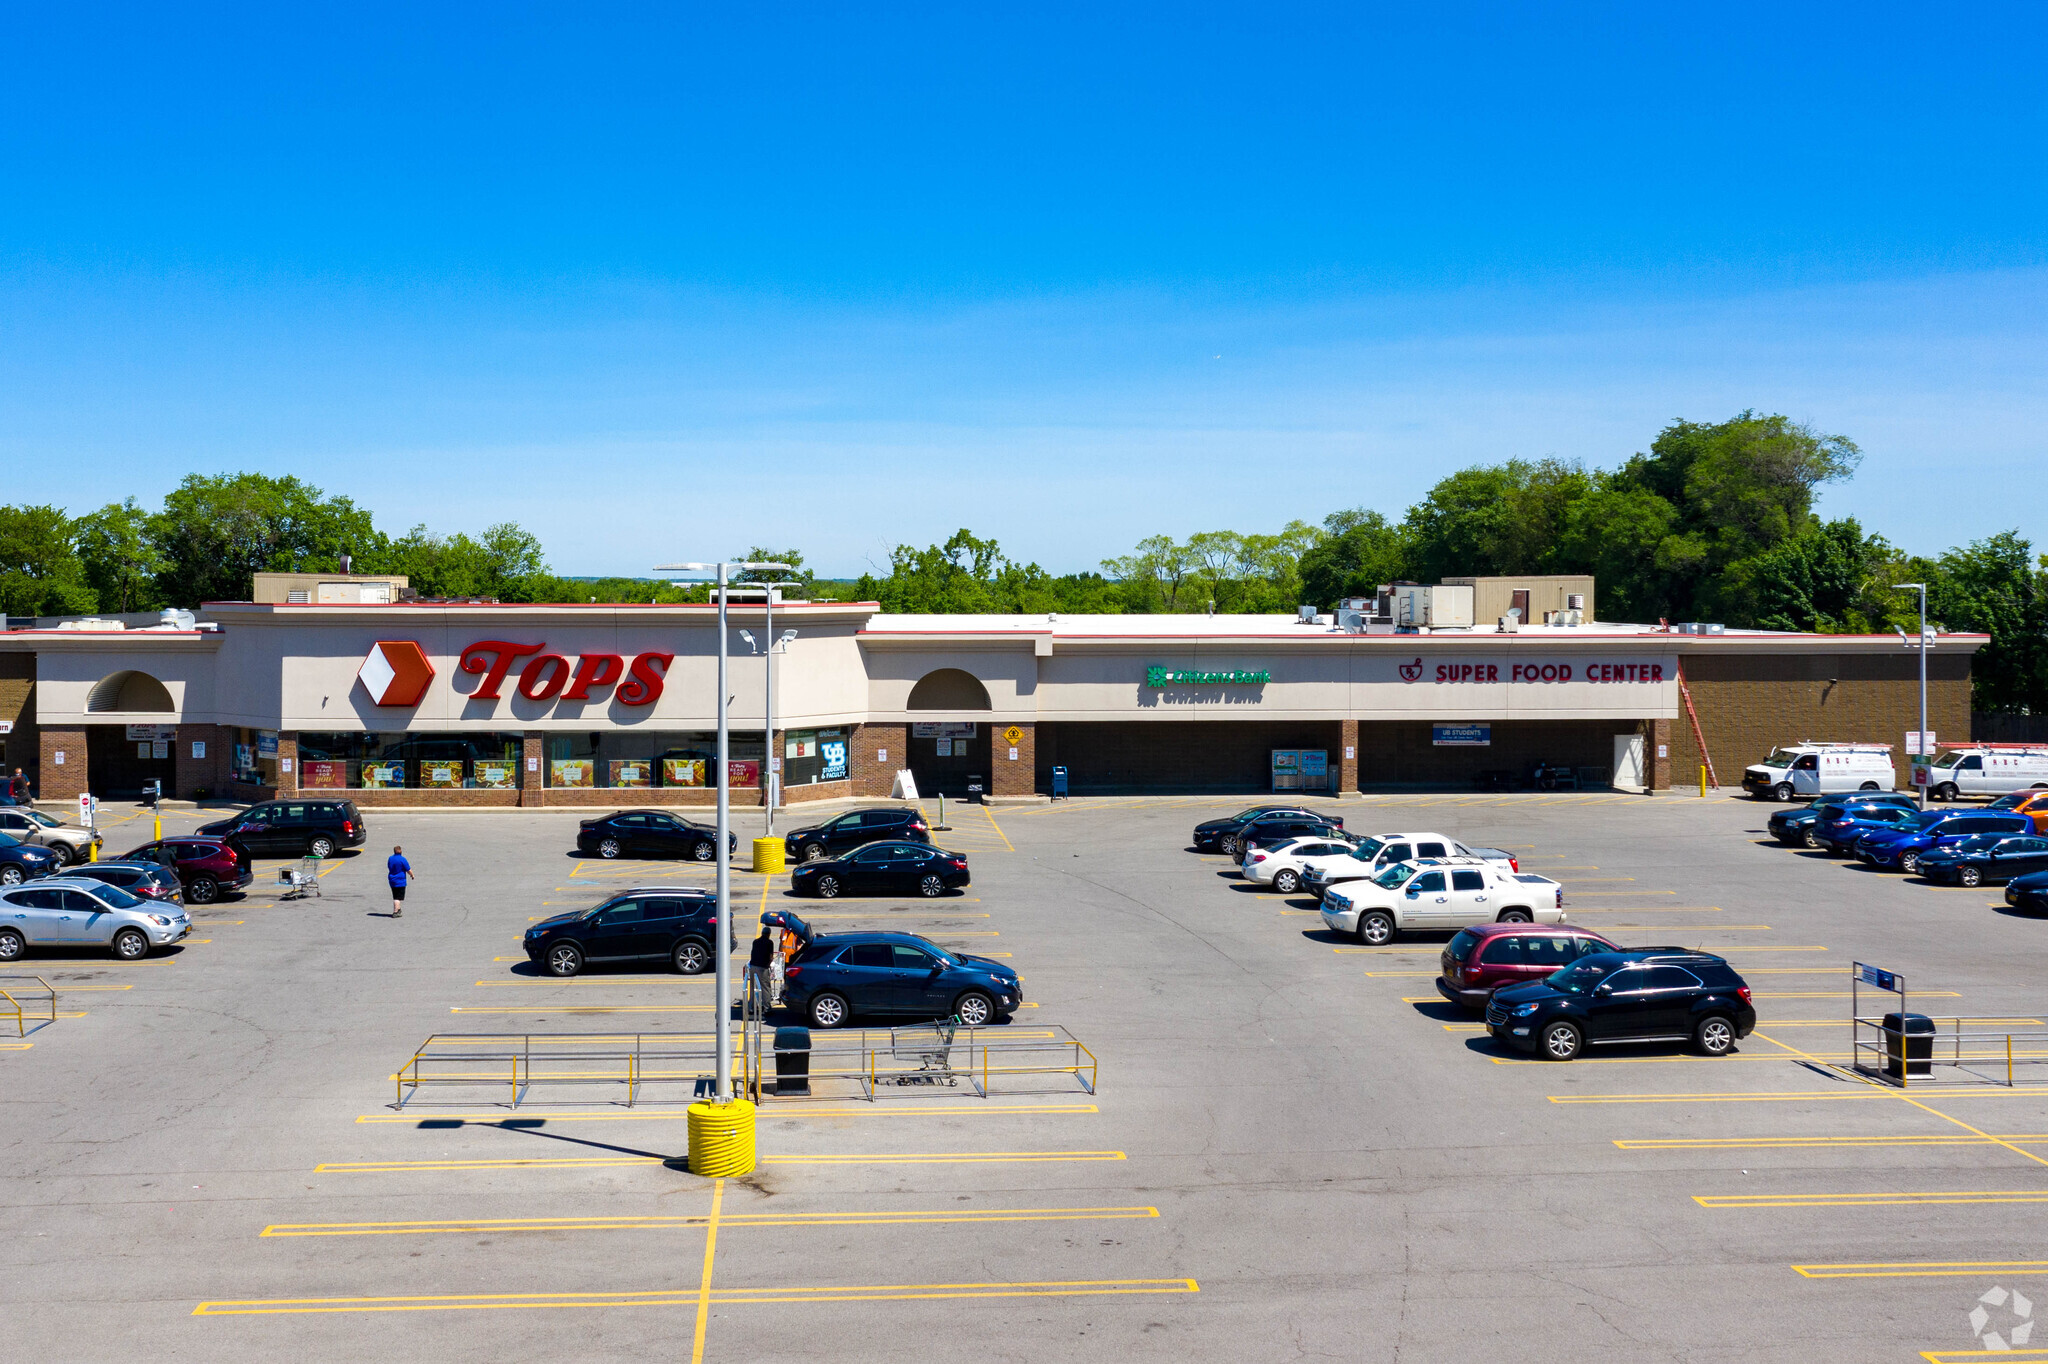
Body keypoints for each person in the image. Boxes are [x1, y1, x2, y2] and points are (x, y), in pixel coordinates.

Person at [748, 925, 776, 1009]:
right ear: (769, 934)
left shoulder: (755, 941)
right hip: (762, 968)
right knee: (765, 988)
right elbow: (771, 957)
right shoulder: (769, 942)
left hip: (753, 966)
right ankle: (767, 1007)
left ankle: (751, 1007)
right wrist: (769, 964)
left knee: (753, 987)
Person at [387, 844, 414, 918]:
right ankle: (396, 912)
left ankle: (398, 909)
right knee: (398, 897)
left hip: (392, 880)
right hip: (400, 881)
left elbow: (389, 866)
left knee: (396, 895)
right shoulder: (402, 859)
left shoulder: (390, 858)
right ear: (400, 851)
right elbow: (408, 869)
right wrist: (412, 875)